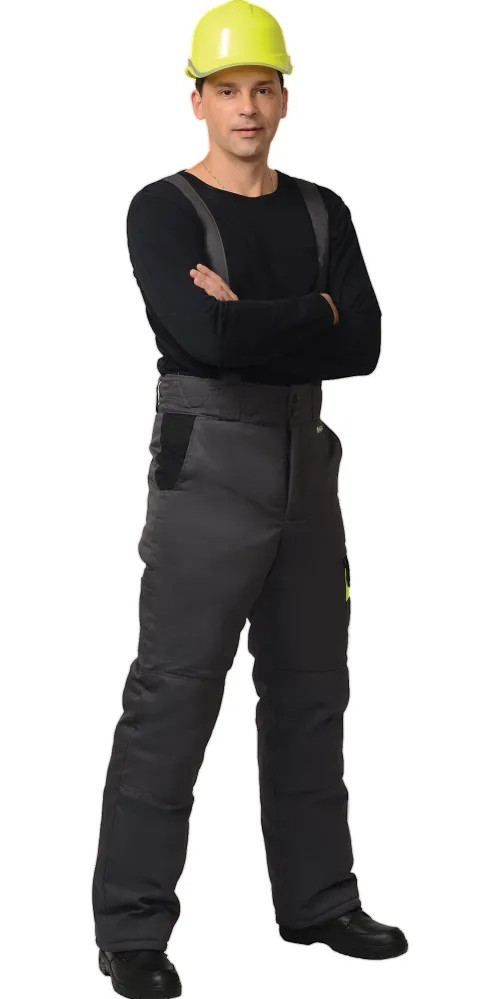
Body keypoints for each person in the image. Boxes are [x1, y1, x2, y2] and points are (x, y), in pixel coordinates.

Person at [92, 2, 408, 994]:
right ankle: (131, 929)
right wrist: (313, 311)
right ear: (196, 100)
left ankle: (319, 901)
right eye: (226, 89)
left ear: (284, 97)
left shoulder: (322, 210)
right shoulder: (162, 210)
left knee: (313, 687)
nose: (246, 106)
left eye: (262, 88)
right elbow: (204, 340)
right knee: (175, 693)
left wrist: (268, 317)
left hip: (306, 460)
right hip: (207, 464)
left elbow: (363, 344)